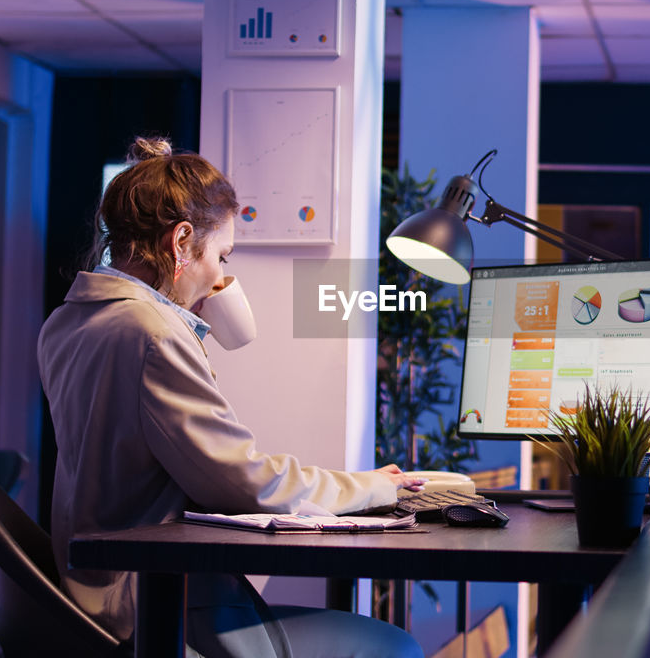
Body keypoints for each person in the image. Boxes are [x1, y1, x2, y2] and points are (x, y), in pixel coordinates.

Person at [39, 136, 424, 658]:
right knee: (392, 646)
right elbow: (247, 483)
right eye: (222, 255)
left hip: (91, 595)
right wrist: (370, 488)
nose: (221, 277)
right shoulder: (152, 332)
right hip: (153, 605)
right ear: (181, 242)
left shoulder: (67, 320)